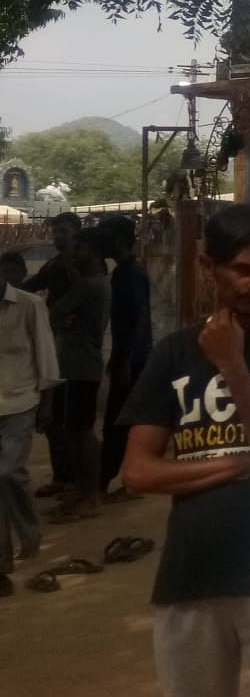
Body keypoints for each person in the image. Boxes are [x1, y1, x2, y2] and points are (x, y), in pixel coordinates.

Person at [119, 204, 250, 697]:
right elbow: (138, 472)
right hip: (192, 574)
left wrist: (233, 366)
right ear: (209, 266)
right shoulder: (174, 353)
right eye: (242, 269)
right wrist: (245, 462)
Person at [0, 253, 60, 595]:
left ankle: (29, 531)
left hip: (22, 402)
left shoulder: (29, 305)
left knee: (7, 472)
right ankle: (2, 564)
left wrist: (46, 404)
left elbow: (46, 354)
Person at [46, 229, 112, 522]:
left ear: (94, 253)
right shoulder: (97, 283)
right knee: (78, 431)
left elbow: (53, 311)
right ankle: (84, 489)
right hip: (81, 366)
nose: (73, 254)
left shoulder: (87, 286)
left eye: (79, 248)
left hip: (78, 367)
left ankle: (89, 495)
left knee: (79, 433)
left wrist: (61, 318)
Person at [22, 211, 80, 497]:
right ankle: (62, 476)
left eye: (63, 232)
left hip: (69, 348)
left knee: (65, 418)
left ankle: (70, 478)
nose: (58, 237)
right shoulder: (56, 264)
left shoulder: (80, 267)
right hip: (55, 342)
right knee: (57, 418)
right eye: (56, 232)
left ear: (76, 233)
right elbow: (31, 286)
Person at [97, 216, 153, 499]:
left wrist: (125, 361)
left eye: (104, 235)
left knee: (119, 425)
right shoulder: (124, 272)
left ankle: (108, 483)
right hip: (131, 359)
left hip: (133, 361)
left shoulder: (129, 274)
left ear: (118, 240)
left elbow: (138, 320)